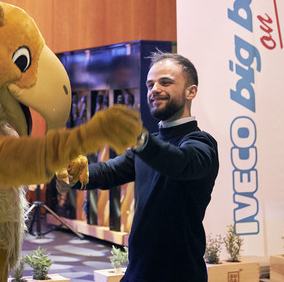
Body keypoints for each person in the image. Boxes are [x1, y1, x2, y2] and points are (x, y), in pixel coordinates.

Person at [58, 52, 219, 281]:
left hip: (180, 274)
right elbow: (109, 171)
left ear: (191, 91)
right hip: (138, 273)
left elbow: (180, 163)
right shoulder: (149, 144)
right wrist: (76, 172)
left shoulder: (201, 144)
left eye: (166, 82)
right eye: (150, 84)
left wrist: (140, 139)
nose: (154, 89)